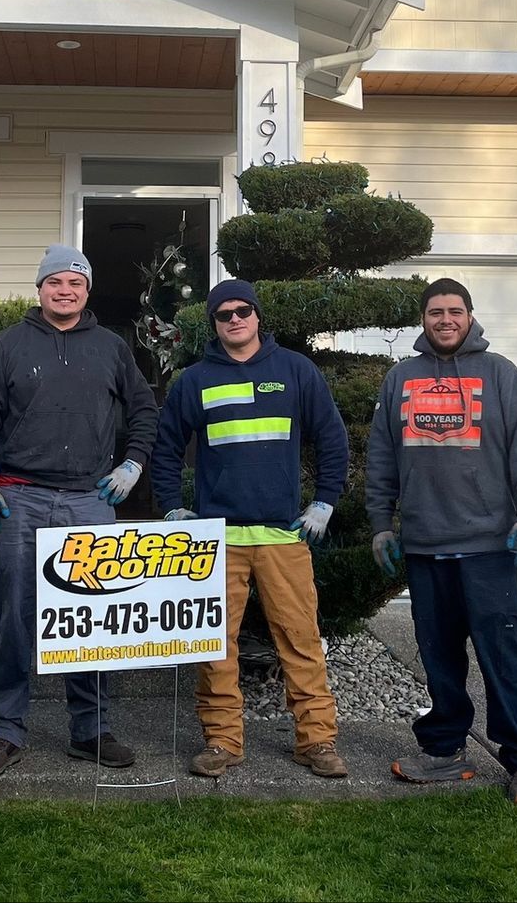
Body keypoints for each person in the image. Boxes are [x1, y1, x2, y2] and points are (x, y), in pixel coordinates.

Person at [0, 244, 158, 776]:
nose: (64, 290)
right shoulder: (10, 344)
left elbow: (144, 410)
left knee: (94, 620)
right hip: (21, 497)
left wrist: (133, 465)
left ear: (86, 290)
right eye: (55, 282)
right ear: (40, 288)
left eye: (74, 282)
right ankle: (4, 728)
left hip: (91, 499)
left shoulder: (112, 348)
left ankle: (90, 729)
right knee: (16, 619)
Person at [150, 278, 352, 780]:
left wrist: (324, 503)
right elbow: (165, 451)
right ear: (214, 324)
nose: (235, 319)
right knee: (216, 643)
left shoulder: (295, 371)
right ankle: (221, 741)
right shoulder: (193, 380)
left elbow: (332, 440)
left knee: (301, 639)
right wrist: (174, 509)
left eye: (243, 310)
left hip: (285, 537)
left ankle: (318, 741)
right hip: (217, 540)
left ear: (258, 317)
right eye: (224, 314)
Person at [365, 277, 517, 806]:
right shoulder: (400, 379)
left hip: (491, 548)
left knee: (505, 657)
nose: (445, 319)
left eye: (454, 311)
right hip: (425, 548)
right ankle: (446, 751)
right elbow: (382, 458)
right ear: (422, 321)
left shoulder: (501, 375)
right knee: (439, 658)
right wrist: (383, 523)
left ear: (470, 315)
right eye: (434, 312)